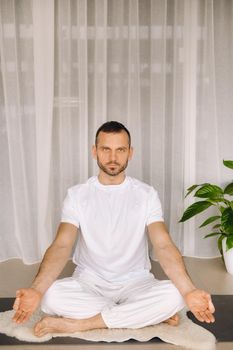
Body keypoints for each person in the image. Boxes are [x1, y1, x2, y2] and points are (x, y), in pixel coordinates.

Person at [12, 121, 215, 337]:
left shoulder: (146, 194)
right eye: (105, 149)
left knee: (176, 295)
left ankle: (83, 324)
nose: (113, 157)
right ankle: (143, 316)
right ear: (94, 151)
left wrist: (189, 290)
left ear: (130, 153)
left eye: (120, 150)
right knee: (49, 296)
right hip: (90, 281)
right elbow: (62, 245)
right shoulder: (77, 195)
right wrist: (36, 289)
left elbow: (163, 244)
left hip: (136, 282)